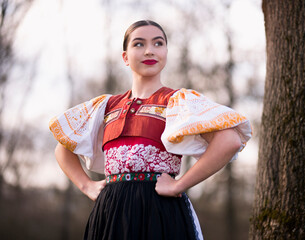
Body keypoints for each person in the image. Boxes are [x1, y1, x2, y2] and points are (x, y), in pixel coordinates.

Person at [49, 20, 252, 240]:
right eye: (138, 44)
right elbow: (63, 148)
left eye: (158, 43)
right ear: (125, 57)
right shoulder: (106, 107)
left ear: (166, 52)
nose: (149, 51)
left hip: (159, 211)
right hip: (110, 213)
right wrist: (86, 185)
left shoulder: (177, 103)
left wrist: (179, 185)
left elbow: (229, 139)